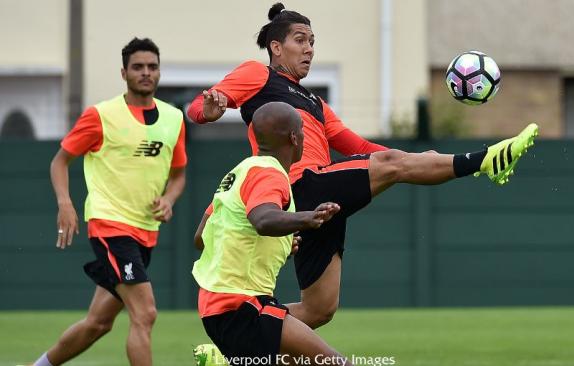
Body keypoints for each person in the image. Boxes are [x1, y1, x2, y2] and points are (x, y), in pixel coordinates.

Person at [187, 3, 538, 330]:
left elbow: (361, 147)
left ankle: (235, 337)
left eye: (313, 41)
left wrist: (418, 162)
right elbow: (197, 110)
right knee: (393, 164)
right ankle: (485, 162)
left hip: (321, 204)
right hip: (300, 184)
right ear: (276, 48)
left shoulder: (316, 103)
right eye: (300, 40)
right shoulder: (257, 74)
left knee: (318, 309)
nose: (309, 48)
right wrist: (211, 110)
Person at [31, 37, 187, 366]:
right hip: (110, 226)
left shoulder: (174, 119)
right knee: (145, 313)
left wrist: (170, 199)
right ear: (123, 72)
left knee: (98, 324)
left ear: (160, 72)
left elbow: (179, 175)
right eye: (138, 67)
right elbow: (59, 161)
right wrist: (65, 203)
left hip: (146, 232)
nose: (146, 73)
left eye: (152, 67)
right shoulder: (101, 115)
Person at [192, 101, 351, 366]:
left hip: (217, 304)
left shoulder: (240, 172)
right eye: (303, 131)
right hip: (240, 306)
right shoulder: (271, 174)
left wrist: (275, 246)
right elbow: (262, 220)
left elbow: (201, 237)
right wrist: (309, 218)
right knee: (336, 363)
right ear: (294, 137)